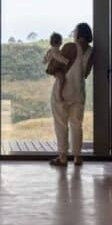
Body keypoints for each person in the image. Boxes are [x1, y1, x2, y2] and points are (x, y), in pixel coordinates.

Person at [49, 22, 94, 167]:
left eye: (75, 30)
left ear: (79, 33)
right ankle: (77, 157)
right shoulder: (91, 51)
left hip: (62, 91)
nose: (73, 33)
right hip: (79, 92)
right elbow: (85, 74)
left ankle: (62, 157)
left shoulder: (70, 47)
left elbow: (54, 67)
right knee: (77, 124)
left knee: (61, 124)